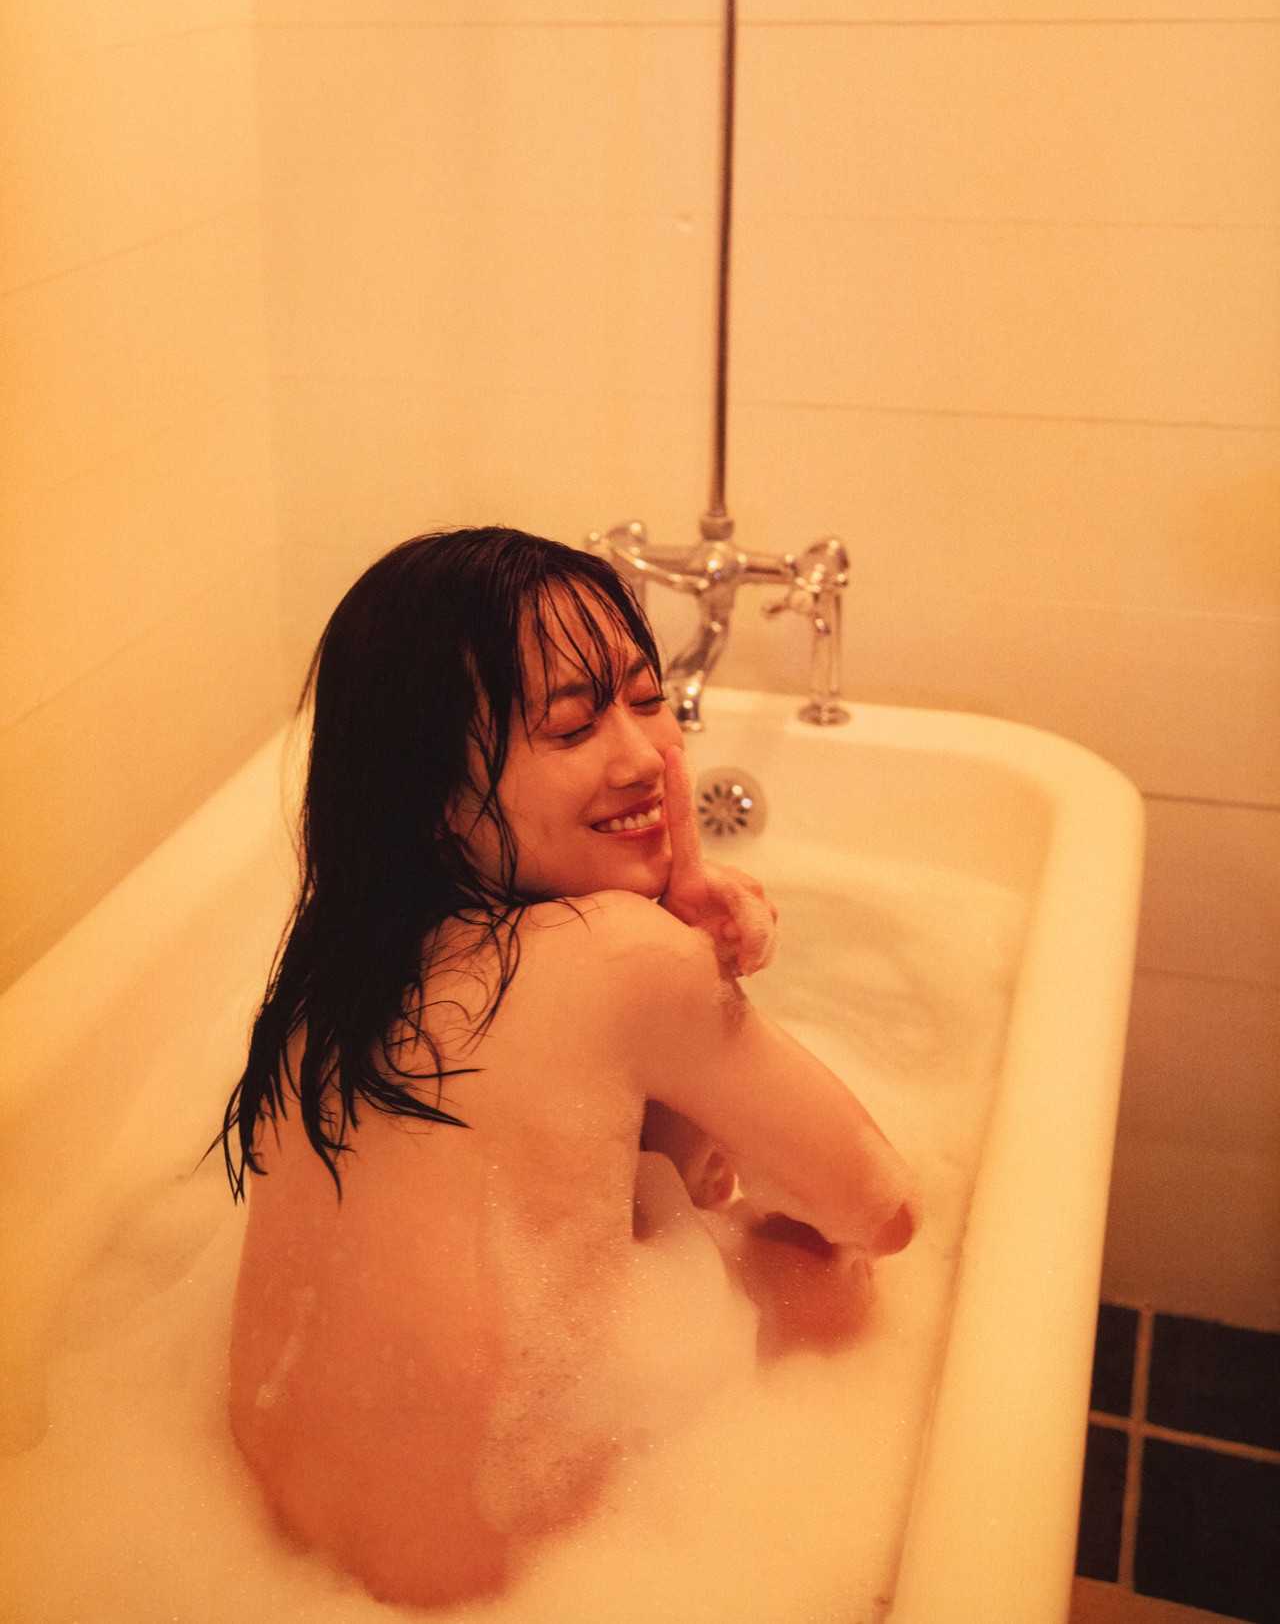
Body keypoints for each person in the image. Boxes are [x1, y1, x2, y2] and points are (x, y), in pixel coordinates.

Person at [221, 526, 919, 1608]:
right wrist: (690, 958)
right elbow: (880, 1209)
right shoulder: (620, 960)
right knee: (832, 1274)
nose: (643, 756)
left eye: (646, 700)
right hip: (516, 1576)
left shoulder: (331, 975)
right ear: (432, 791)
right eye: (572, 724)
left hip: (268, 1544)